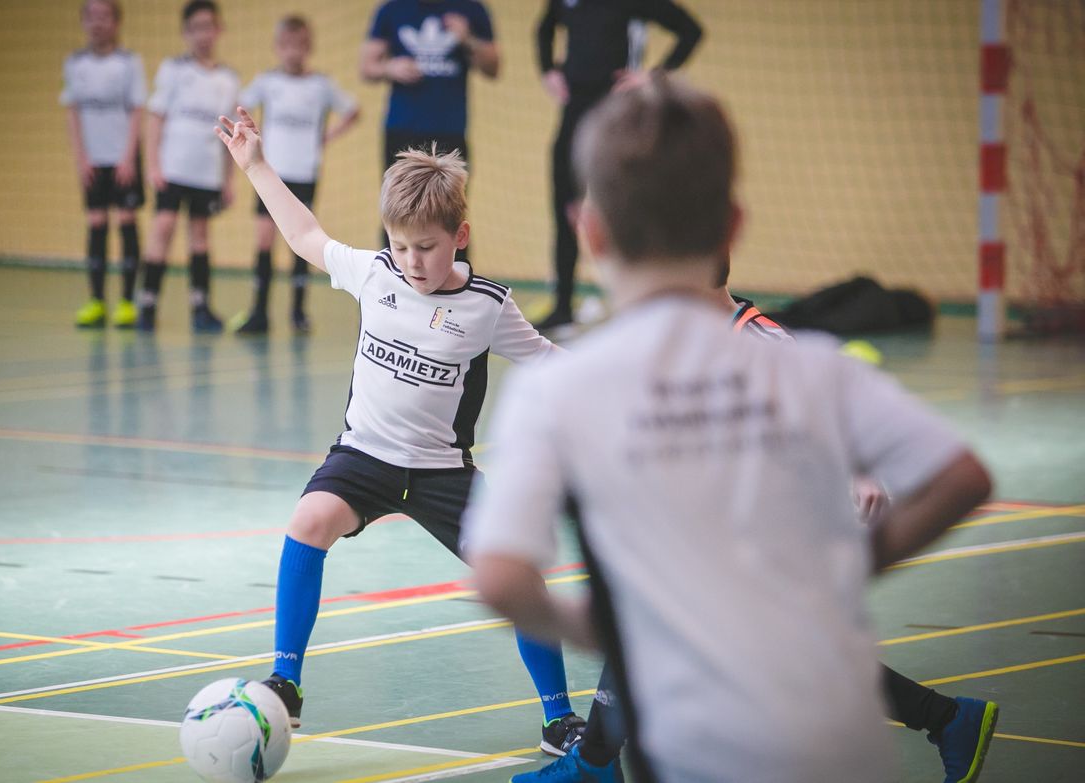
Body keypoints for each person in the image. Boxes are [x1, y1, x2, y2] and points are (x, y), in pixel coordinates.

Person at [464, 74, 994, 783]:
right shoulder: (818, 366)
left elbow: (500, 577)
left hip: (697, 748)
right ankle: (592, 763)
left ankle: (590, 764)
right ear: (732, 226)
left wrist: (614, 631)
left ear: (588, 230)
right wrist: (853, 568)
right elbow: (964, 477)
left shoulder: (557, 390)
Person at [511, 260, 1001, 783]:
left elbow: (826, 411)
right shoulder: (679, 343)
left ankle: (594, 763)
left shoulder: (763, 340)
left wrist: (858, 474)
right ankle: (948, 719)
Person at [214, 107, 590, 756]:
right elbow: (305, 235)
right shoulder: (376, 274)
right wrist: (256, 166)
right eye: (400, 245)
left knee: (522, 578)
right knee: (308, 521)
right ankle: (287, 683)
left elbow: (554, 364)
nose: (412, 261)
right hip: (364, 456)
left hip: (444, 471)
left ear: (459, 235)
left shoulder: (488, 307)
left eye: (427, 246)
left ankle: (559, 717)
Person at [534, 0, 702, 333]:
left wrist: (652, 76)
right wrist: (548, 69)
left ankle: (646, 306)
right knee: (565, 209)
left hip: (618, 116)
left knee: (631, 211)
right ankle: (564, 306)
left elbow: (690, 31)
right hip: (573, 117)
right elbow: (544, 27)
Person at [233, 15, 360, 336]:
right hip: (271, 172)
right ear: (278, 47)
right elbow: (240, 106)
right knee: (264, 239)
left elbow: (353, 110)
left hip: (305, 172)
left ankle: (298, 312)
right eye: (286, 45)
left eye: (300, 46)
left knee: (301, 241)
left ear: (309, 47)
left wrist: (327, 136)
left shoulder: (321, 85)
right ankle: (259, 311)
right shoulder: (267, 82)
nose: (293, 52)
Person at [360, 0, 500, 246]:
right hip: (402, 130)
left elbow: (493, 67)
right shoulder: (392, 10)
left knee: (451, 214)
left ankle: (454, 281)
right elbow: (367, 67)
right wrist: (389, 67)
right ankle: (392, 281)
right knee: (397, 211)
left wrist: (467, 38)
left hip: (450, 131)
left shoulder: (471, 9)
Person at [137, 0, 238, 333]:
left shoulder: (228, 78)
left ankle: (200, 306)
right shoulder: (173, 70)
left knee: (200, 237)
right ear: (185, 32)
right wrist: (153, 165)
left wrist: (228, 180)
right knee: (163, 228)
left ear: (219, 29)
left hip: (206, 172)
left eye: (208, 26)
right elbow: (156, 119)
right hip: (173, 169)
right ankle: (148, 303)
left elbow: (230, 133)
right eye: (195, 28)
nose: (202, 35)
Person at [61, 0, 147, 329]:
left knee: (127, 220)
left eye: (104, 17)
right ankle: (96, 300)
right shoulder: (75, 63)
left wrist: (128, 157)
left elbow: (138, 110)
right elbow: (72, 113)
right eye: (91, 17)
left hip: (123, 157)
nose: (98, 24)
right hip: (93, 160)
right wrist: (81, 158)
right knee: (96, 223)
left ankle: (127, 301)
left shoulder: (128, 63)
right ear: (84, 22)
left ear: (116, 22)